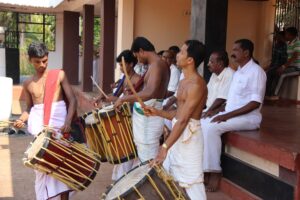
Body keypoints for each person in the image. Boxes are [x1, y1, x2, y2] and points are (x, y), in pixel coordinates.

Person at [144, 40, 207, 200]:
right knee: (169, 178)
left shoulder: (197, 85)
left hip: (190, 139)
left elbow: (184, 120)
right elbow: (178, 115)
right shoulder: (183, 81)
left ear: (190, 60)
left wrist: (164, 147)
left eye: (181, 52)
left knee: (193, 184)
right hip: (178, 134)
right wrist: (157, 112)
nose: (177, 55)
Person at [201, 39, 266, 192]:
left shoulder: (256, 72)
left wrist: (227, 115)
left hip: (249, 118)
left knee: (211, 128)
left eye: (236, 50)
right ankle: (205, 167)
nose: (233, 53)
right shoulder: (238, 72)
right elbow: (230, 100)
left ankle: (214, 171)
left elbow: (254, 103)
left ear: (246, 53)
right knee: (203, 122)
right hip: (232, 115)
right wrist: (216, 111)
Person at [14, 42, 76, 200]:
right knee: (42, 171)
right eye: (37, 61)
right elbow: (29, 108)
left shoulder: (59, 75)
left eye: (45, 60)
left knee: (62, 172)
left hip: (60, 129)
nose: (42, 65)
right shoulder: (28, 83)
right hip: (41, 133)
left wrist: (68, 122)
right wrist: (21, 119)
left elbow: (73, 100)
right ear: (30, 61)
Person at [114, 37, 170, 163]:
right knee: (147, 158)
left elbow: (150, 92)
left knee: (148, 162)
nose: (138, 61)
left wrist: (124, 99)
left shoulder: (157, 65)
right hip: (149, 117)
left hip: (148, 122)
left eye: (137, 57)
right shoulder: (158, 64)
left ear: (141, 51)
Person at [202, 50, 234, 118]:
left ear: (220, 63)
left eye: (211, 62)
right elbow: (206, 94)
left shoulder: (229, 74)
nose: (208, 64)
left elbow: (221, 99)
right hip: (209, 110)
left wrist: (207, 112)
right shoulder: (214, 74)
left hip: (220, 112)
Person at [274, 27, 300, 96]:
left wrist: (283, 66)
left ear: (291, 35)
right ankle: (275, 94)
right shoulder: (288, 43)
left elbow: (295, 56)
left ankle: (275, 94)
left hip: (297, 67)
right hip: (291, 66)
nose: (285, 35)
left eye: (286, 34)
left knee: (280, 73)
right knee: (275, 71)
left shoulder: (297, 42)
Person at [265, 31, 287, 97]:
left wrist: (276, 67)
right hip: (274, 65)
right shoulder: (277, 45)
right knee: (267, 73)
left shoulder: (284, 46)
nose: (276, 37)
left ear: (283, 37)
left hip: (279, 66)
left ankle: (271, 94)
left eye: (278, 36)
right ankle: (267, 93)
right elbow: (274, 58)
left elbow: (284, 59)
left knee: (271, 74)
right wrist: (270, 66)